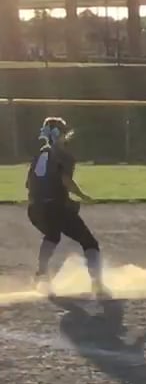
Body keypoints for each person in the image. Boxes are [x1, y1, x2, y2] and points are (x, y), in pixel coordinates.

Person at [25, 117, 106, 297]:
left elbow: (29, 184)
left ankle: (41, 275)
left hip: (34, 209)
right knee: (89, 242)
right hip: (55, 207)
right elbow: (65, 181)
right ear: (61, 135)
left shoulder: (39, 155)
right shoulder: (64, 156)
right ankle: (97, 283)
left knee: (52, 235)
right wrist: (83, 197)